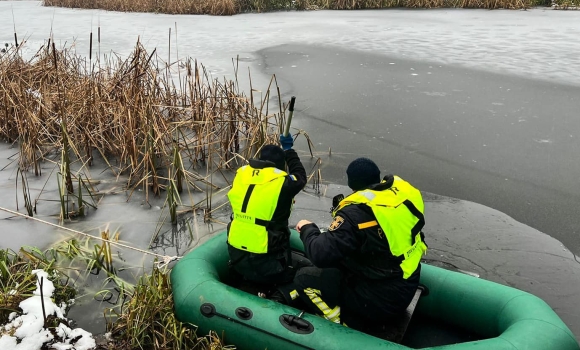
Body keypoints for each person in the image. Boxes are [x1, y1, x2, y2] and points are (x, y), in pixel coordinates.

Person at [291, 157, 428, 332]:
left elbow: (319, 254)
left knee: (303, 278)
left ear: (352, 184)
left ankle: (344, 326)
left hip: (381, 300)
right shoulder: (395, 200)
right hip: (406, 283)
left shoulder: (356, 213)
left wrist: (308, 229)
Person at [226, 134, 311, 297]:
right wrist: (289, 150)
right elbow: (300, 175)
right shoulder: (283, 183)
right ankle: (278, 296)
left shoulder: (241, 175)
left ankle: (246, 283)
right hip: (268, 263)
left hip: (236, 255)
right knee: (304, 273)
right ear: (279, 167)